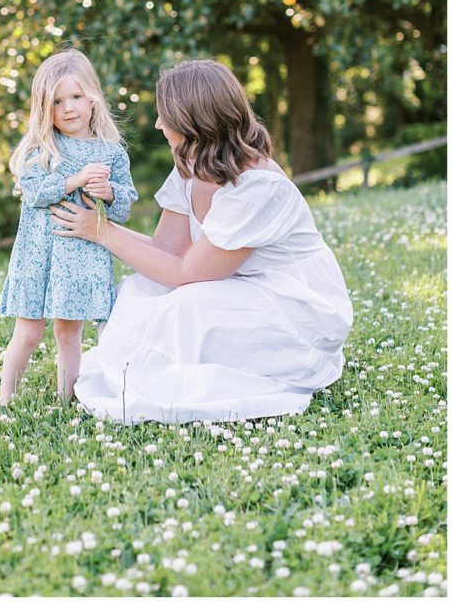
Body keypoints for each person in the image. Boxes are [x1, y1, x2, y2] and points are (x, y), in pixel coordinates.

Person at [51, 58, 353, 424]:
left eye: (166, 116)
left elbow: (187, 273)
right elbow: (165, 253)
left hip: (291, 305)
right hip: (236, 287)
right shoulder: (189, 164)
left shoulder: (258, 185)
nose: (159, 124)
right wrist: (94, 223)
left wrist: (102, 231)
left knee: (187, 304)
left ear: (195, 121)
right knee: (140, 289)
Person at [0, 49, 138, 405]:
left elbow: (124, 207)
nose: (69, 108)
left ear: (92, 97)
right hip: (39, 255)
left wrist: (108, 192)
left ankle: (67, 399)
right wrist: (75, 180)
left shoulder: (111, 152)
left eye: (76, 97)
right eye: (57, 101)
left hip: (80, 257)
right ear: (45, 109)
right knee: (28, 332)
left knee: (68, 332)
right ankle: (5, 399)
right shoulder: (42, 149)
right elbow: (35, 192)